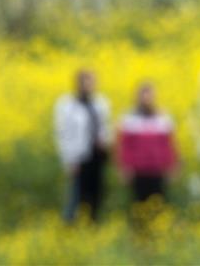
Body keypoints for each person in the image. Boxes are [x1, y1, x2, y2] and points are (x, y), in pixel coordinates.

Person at [54, 70, 111, 222]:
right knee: (75, 194)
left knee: (96, 193)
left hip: (97, 155)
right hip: (78, 156)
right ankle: (70, 225)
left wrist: (106, 142)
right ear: (78, 83)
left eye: (92, 82)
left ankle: (92, 224)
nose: (89, 85)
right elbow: (62, 134)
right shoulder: (66, 105)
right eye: (86, 82)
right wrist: (69, 160)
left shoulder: (100, 102)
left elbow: (104, 126)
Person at [117, 82, 178, 204]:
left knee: (159, 203)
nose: (146, 99)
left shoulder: (163, 119)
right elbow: (125, 146)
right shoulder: (129, 119)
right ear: (137, 97)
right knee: (138, 204)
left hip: (158, 170)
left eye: (149, 95)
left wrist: (172, 166)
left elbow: (169, 145)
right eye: (143, 95)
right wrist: (124, 167)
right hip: (138, 171)